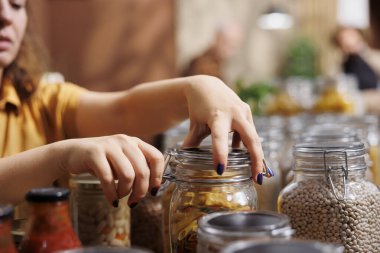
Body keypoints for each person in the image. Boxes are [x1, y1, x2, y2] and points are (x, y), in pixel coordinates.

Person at [0, 1, 264, 207]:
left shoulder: (39, 99)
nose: (6, 16)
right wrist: (60, 157)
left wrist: (197, 87)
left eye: (16, 5)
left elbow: (123, 110)